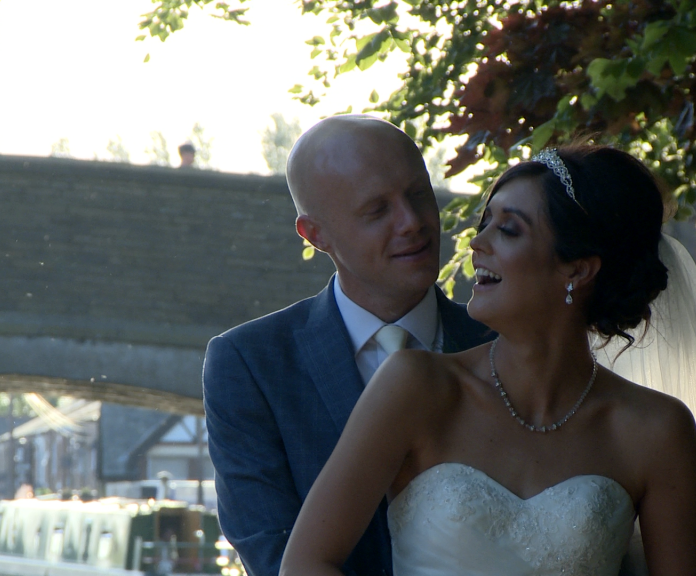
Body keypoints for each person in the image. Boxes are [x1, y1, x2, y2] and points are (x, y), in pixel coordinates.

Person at [280, 145, 696, 576]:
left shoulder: (657, 430)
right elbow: (304, 564)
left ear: (578, 270)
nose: (476, 243)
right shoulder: (416, 387)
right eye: (485, 222)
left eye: (508, 229)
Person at [203, 114, 493, 576]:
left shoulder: (504, 343)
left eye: (419, 194)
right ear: (316, 235)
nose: (413, 222)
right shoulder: (251, 364)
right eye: (377, 210)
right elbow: (272, 552)